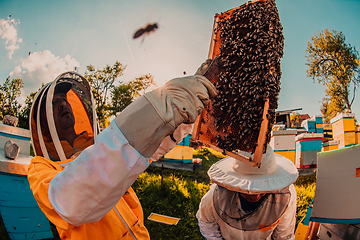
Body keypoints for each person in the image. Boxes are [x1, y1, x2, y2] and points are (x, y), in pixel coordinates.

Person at [27, 59, 217, 240]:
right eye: (53, 103)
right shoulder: (41, 167)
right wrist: (162, 106)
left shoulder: (98, 146)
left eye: (64, 98)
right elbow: (69, 202)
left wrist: (185, 111)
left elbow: (148, 147)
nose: (62, 103)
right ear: (43, 124)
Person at [196, 146, 299, 240]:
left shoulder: (286, 195)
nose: (256, 196)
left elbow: (284, 236)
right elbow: (206, 222)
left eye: (261, 189)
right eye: (248, 190)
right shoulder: (216, 195)